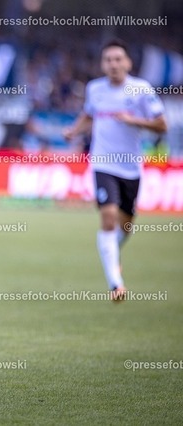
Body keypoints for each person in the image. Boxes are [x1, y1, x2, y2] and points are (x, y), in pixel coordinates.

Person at [63, 39, 167, 301]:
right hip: (103, 163)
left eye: (118, 59)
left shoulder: (141, 89)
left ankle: (113, 254)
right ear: (102, 64)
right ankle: (115, 284)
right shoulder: (95, 89)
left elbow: (162, 125)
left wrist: (134, 120)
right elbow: (89, 115)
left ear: (128, 63)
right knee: (108, 218)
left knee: (126, 226)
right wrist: (74, 131)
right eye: (108, 60)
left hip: (130, 167)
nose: (113, 64)